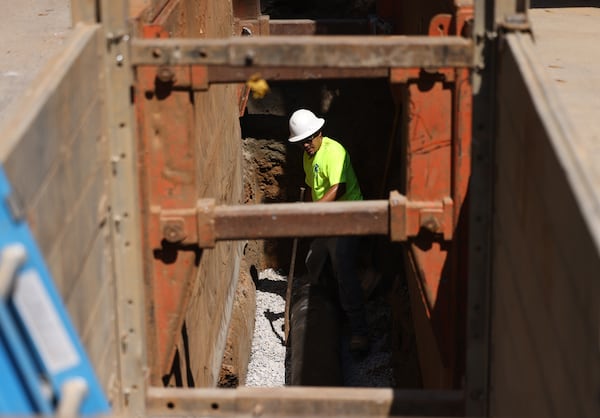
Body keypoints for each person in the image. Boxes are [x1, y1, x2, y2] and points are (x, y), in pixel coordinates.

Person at [288, 109, 369, 355]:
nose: (306, 145)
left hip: (348, 215)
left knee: (343, 268)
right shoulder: (308, 155)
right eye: (301, 142)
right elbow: (315, 188)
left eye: (309, 139)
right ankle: (328, 310)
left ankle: (359, 331)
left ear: (319, 132)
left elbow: (338, 188)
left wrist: (310, 214)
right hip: (328, 217)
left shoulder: (334, 152)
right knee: (314, 260)